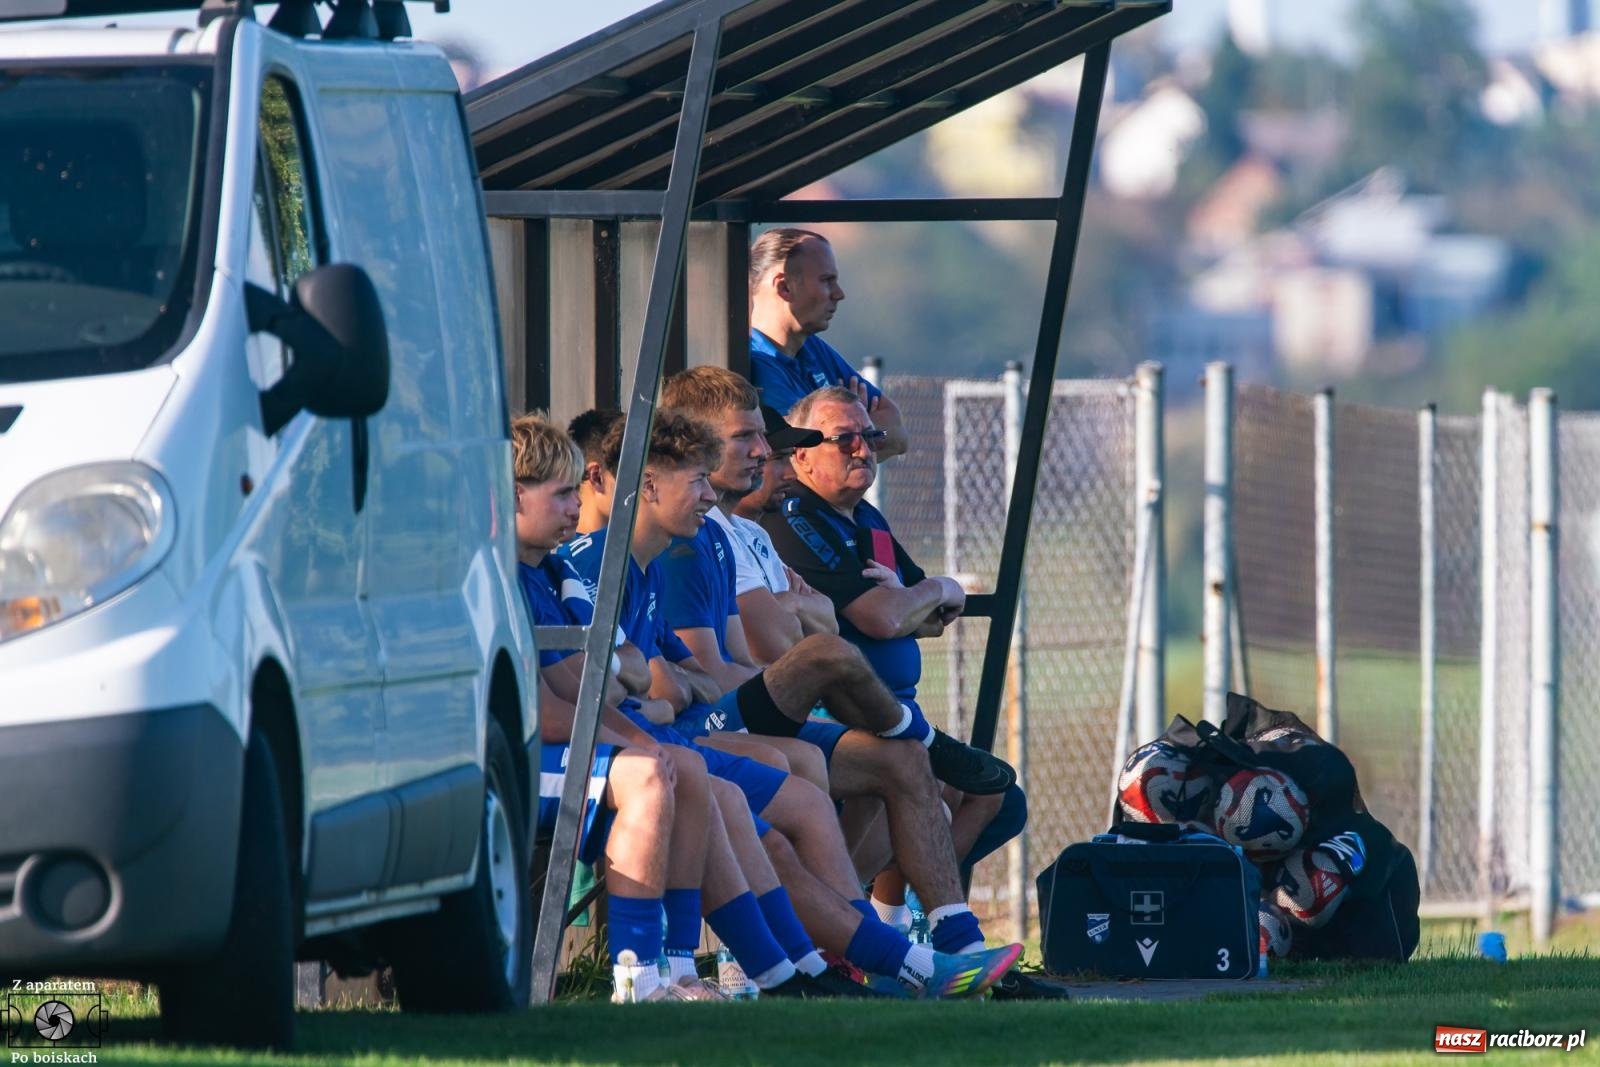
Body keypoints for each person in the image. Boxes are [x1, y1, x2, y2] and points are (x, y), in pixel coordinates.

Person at [558, 410, 1022, 998]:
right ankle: (780, 969)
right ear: (642, 485)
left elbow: (689, 674)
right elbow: (669, 682)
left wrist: (660, 687)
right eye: (698, 476)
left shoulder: (686, 550)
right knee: (812, 693)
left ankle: (869, 960)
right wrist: (658, 691)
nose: (762, 458)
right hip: (644, 748)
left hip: (673, 737)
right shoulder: (614, 562)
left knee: (886, 764)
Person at [656, 366, 1017, 961]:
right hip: (718, 721)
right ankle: (866, 950)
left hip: (766, 705)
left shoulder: (740, 534)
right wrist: (806, 612)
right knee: (828, 658)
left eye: (766, 440)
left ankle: (951, 945)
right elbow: (773, 650)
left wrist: (807, 609)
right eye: (749, 439)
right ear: (693, 447)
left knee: (906, 762)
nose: (766, 454)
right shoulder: (699, 536)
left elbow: (866, 614)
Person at [763, 388, 1067, 1000]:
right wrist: (931, 590)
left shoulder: (866, 518)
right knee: (913, 768)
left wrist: (921, 595)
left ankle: (906, 936)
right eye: (843, 438)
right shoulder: (793, 516)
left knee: (992, 796)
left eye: (869, 437)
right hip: (838, 715)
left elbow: (925, 613)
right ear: (799, 457)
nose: (862, 448)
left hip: (897, 708)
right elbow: (885, 615)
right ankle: (904, 948)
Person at [747, 228, 908, 459]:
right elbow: (807, 458)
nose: (839, 294)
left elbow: (897, 432)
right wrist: (861, 425)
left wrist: (845, 433)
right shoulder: (756, 364)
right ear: (784, 287)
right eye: (826, 281)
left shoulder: (813, 348)